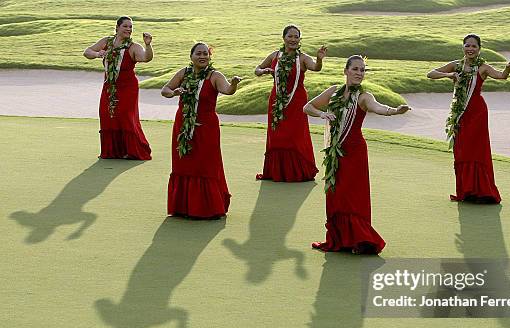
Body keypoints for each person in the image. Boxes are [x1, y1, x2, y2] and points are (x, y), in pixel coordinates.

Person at [303, 55, 410, 254]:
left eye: (362, 70)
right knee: (336, 195)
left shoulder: (364, 96)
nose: (359, 73)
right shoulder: (334, 91)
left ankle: (360, 240)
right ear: (346, 71)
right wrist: (322, 114)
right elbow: (307, 107)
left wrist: (395, 111)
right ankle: (340, 239)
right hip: (335, 154)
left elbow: (378, 108)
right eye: (355, 69)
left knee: (353, 196)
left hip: (355, 153)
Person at [427, 33, 510, 204]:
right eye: (467, 45)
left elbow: (501, 76)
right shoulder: (456, 65)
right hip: (460, 114)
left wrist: (508, 67)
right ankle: (467, 191)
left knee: (477, 150)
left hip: (477, 113)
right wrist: (448, 76)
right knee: (462, 150)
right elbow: (431, 73)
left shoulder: (483, 67)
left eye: (474, 46)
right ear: (463, 47)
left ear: (479, 49)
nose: (470, 49)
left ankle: (482, 192)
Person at [161, 42, 241, 219]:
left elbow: (228, 90)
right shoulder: (184, 73)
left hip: (206, 127)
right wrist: (174, 93)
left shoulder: (215, 76)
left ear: (210, 57)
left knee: (205, 164)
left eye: (206, 53)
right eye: (198, 53)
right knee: (184, 162)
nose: (202, 56)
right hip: (182, 126)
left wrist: (234, 84)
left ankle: (207, 207)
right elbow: (165, 90)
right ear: (191, 56)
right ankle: (183, 207)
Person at [254, 25, 327, 182]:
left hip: (297, 102)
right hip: (276, 100)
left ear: (300, 39)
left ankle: (298, 172)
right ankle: (276, 172)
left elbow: (316, 67)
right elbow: (257, 69)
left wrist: (319, 58)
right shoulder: (275, 56)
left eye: (296, 37)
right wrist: (262, 71)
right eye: (290, 36)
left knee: (295, 135)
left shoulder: (303, 58)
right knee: (277, 135)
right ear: (284, 38)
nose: (293, 39)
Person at [83, 16, 153, 160]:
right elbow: (87, 52)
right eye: (125, 26)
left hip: (128, 87)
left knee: (125, 116)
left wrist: (148, 45)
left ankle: (132, 151)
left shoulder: (134, 46)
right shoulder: (106, 42)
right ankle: (112, 151)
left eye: (130, 27)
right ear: (117, 27)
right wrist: (97, 54)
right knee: (106, 114)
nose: (128, 29)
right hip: (109, 86)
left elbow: (146, 58)